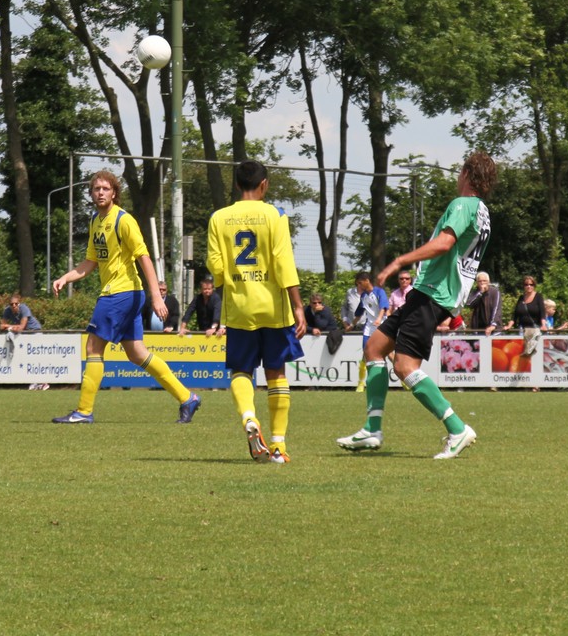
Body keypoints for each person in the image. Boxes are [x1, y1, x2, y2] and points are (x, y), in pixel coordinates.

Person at [336, 151, 496, 460]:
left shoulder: (462, 204)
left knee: (405, 367)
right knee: (375, 348)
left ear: (466, 174)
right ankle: (371, 429)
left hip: (432, 294)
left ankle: (457, 428)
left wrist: (400, 260)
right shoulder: (482, 211)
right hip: (431, 293)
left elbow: (445, 244)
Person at [50, 169, 201, 424]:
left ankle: (84, 411)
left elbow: (144, 258)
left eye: (105, 189)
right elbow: (90, 262)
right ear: (91, 193)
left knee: (93, 347)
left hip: (120, 293)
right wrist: (65, 278)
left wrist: (156, 297)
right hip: (124, 295)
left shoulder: (123, 220)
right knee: (137, 354)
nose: (100, 193)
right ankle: (187, 398)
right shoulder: (95, 222)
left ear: (114, 193)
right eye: (96, 189)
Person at [206, 159, 306, 463]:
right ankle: (278, 446)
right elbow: (283, 261)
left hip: (239, 308)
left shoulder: (219, 218)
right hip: (273, 308)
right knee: (276, 373)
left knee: (241, 370)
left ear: (237, 184)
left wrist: (228, 286)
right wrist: (298, 305)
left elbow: (215, 265)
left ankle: (249, 416)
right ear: (264, 184)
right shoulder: (275, 215)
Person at [342, 271, 388, 392]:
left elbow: (383, 307)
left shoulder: (379, 292)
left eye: (360, 283)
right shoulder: (363, 296)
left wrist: (379, 319)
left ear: (367, 281)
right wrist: (352, 325)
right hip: (369, 328)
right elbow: (359, 313)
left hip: (382, 326)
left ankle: (403, 381)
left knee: (389, 354)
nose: (359, 286)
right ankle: (362, 382)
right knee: (366, 353)